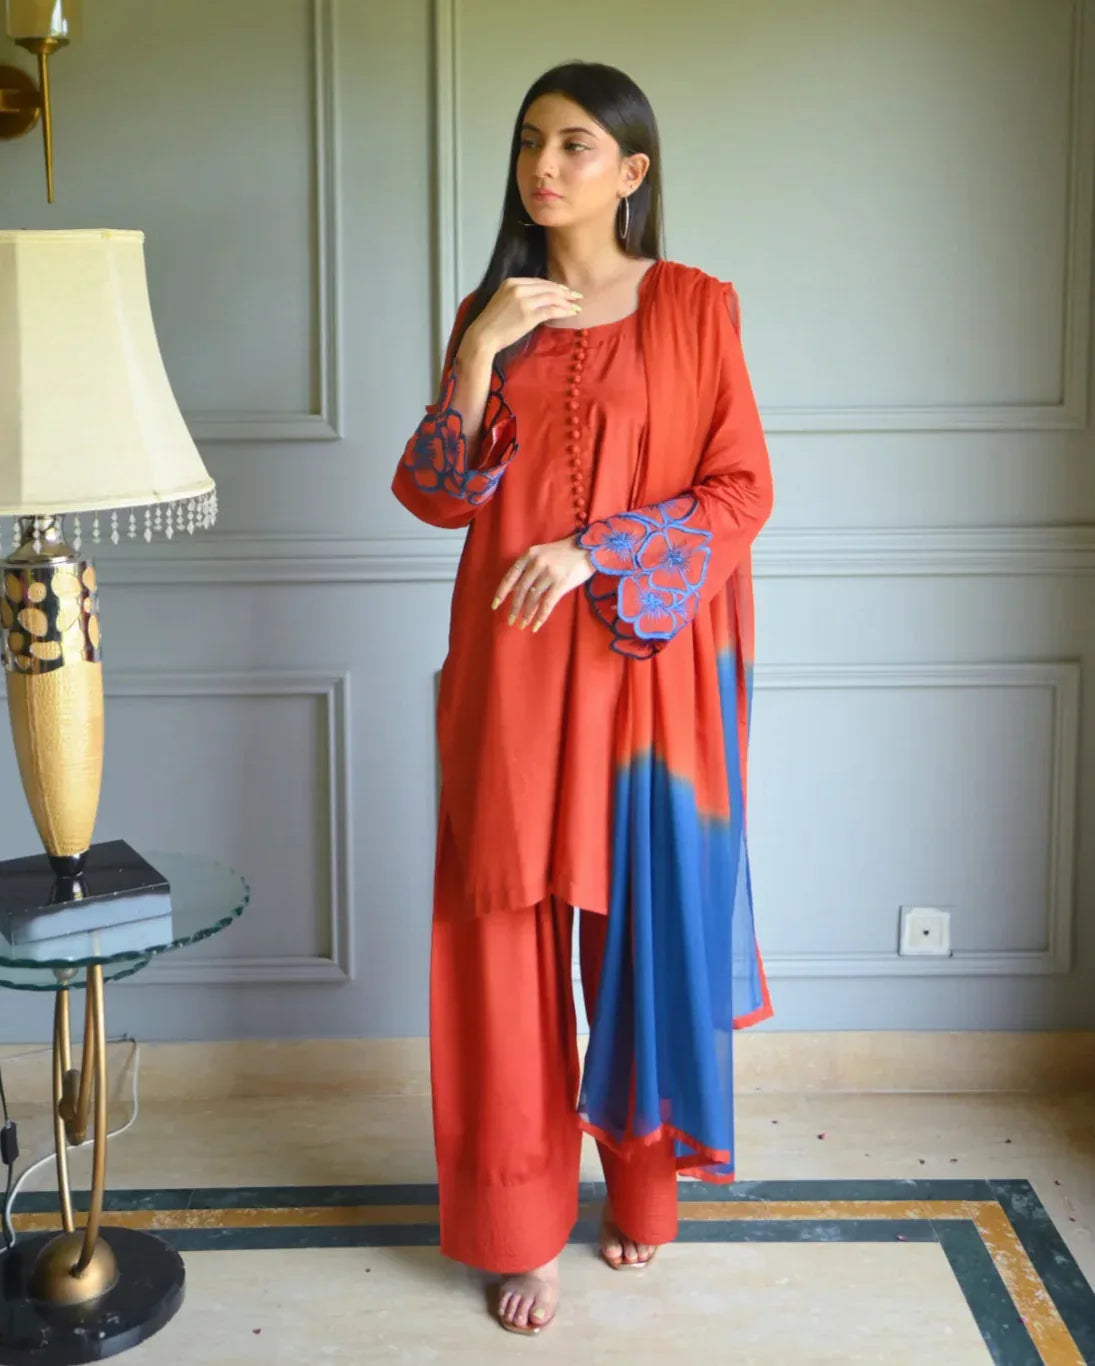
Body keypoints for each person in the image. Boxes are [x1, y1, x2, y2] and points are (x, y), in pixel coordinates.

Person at [392, 60, 774, 1336]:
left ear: (631, 172)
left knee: (640, 927)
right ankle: (517, 1226)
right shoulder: (491, 312)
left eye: (573, 145)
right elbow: (438, 495)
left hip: (645, 679)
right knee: (501, 942)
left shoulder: (695, 307)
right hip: (510, 666)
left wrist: (593, 549)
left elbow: (742, 489)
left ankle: (644, 1188)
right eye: (528, 144)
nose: (543, 167)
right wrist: (477, 352)